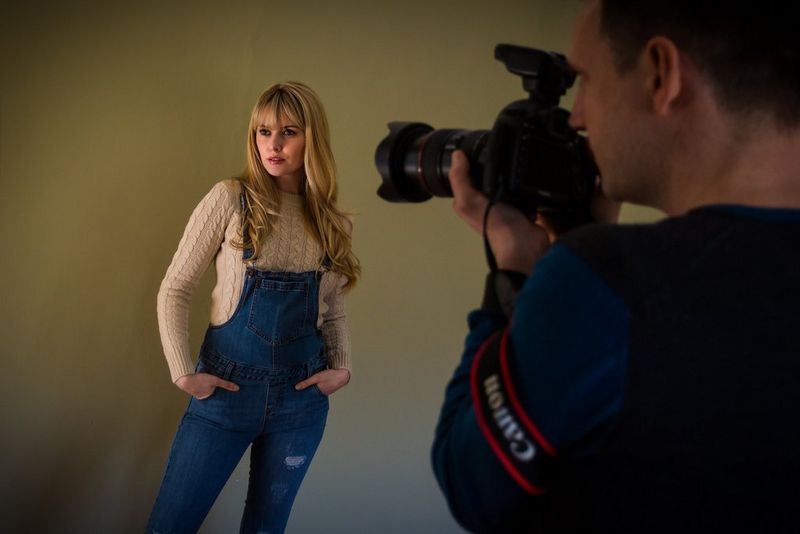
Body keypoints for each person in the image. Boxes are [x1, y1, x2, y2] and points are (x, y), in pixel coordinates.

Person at [432, 1, 800, 532]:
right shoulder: (607, 278)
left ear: (661, 74)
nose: (577, 117)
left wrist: (516, 271)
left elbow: (472, 484)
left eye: (585, 79)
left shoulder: (606, 282)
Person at [147, 81, 359, 534]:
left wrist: (341, 368)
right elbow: (175, 288)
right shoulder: (231, 199)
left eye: (288, 132)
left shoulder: (333, 222)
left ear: (313, 138)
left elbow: (333, 309)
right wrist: (183, 372)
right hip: (225, 394)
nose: (273, 145)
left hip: (299, 405)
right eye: (264, 132)